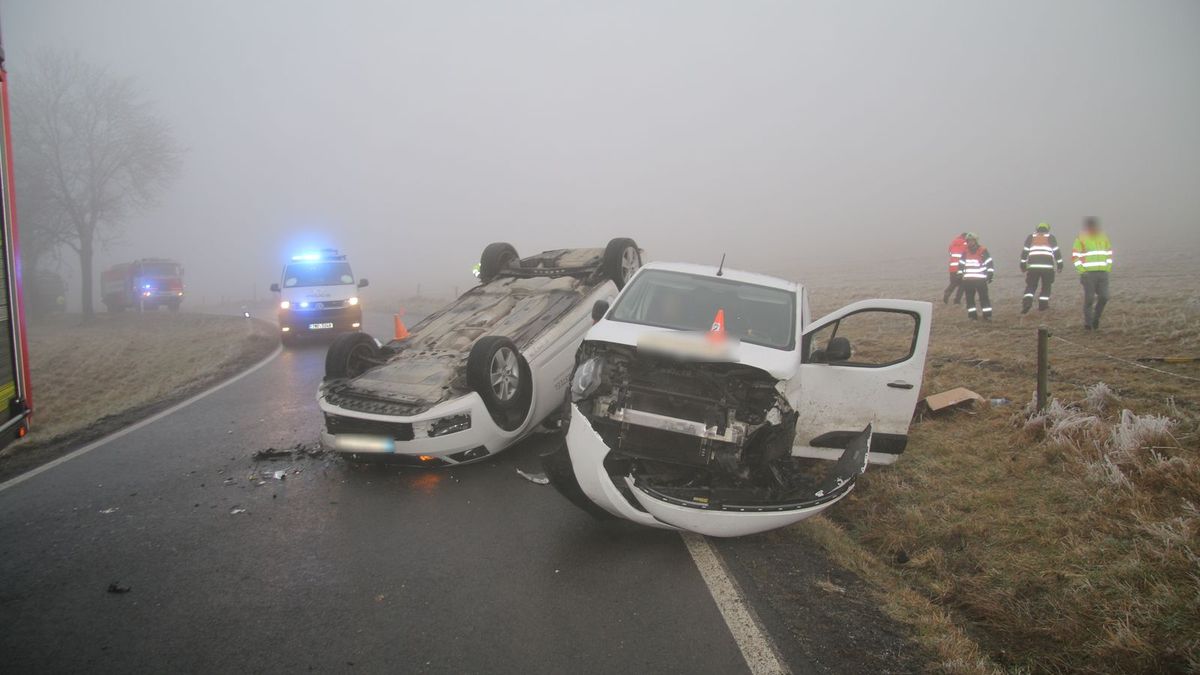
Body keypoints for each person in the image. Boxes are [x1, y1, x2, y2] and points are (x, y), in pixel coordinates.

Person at [1072, 216, 1113, 330]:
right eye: (1091, 226)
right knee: (1089, 299)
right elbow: (1075, 256)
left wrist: (1107, 267)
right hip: (1088, 274)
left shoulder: (1103, 237)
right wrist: (1082, 271)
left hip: (1103, 273)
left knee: (1104, 297)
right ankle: (1088, 324)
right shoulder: (1081, 238)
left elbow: (1109, 252)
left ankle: (1096, 319)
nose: (1093, 228)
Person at [1019, 222, 1064, 313]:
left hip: (1033, 267)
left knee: (1030, 286)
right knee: (1046, 286)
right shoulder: (1050, 237)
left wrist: (1023, 264)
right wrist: (1060, 265)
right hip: (1047, 267)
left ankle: (1027, 304)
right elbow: (1056, 252)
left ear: (1037, 229)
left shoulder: (1031, 237)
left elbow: (1025, 251)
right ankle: (1043, 306)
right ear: (1047, 229)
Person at [957, 233, 994, 320]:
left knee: (984, 298)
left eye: (971, 241)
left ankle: (987, 315)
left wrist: (990, 274)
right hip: (968, 280)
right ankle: (972, 316)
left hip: (980, 280)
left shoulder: (982, 250)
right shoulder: (965, 252)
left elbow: (989, 263)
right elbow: (961, 264)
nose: (970, 243)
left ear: (975, 241)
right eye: (968, 241)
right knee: (969, 299)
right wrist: (959, 274)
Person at [943, 232, 968, 304]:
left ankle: (947, 292)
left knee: (953, 283)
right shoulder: (966, 244)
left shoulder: (953, 243)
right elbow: (967, 254)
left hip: (952, 267)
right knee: (963, 284)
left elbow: (950, 253)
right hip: (961, 267)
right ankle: (957, 300)